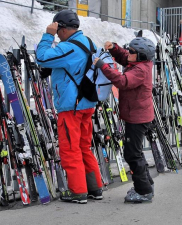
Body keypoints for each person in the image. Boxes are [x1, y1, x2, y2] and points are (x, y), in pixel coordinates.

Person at [36, 9, 103, 203]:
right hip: (86, 103)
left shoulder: (68, 47)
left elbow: (41, 57)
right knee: (84, 147)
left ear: (63, 29)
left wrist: (47, 35)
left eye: (58, 31)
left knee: (70, 149)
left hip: (71, 106)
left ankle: (78, 192)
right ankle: (94, 188)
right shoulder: (88, 42)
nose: (57, 34)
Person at [93, 37, 156, 203]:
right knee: (135, 152)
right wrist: (114, 48)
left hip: (137, 117)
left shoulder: (140, 70)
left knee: (132, 154)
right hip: (136, 114)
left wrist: (103, 66)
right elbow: (124, 57)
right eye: (129, 49)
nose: (129, 53)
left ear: (141, 56)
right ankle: (146, 184)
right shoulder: (137, 63)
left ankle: (143, 191)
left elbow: (122, 81)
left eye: (133, 52)